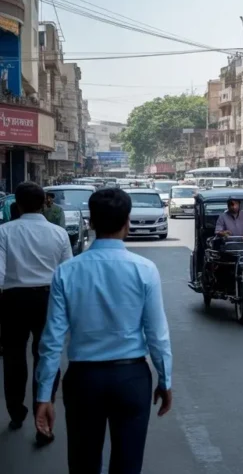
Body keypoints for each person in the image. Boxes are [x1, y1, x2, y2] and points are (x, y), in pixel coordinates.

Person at [35, 188, 173, 473]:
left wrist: (44, 395)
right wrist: (165, 379)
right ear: (127, 222)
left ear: (91, 222)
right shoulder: (145, 270)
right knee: (128, 464)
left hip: (84, 380)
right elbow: (157, 335)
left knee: (83, 463)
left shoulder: (67, 271)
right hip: (131, 379)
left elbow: (51, 341)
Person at [0, 182, 73, 439]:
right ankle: (43, 414)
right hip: (48, 299)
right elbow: (68, 274)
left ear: (16, 205)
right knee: (47, 357)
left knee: (13, 358)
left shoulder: (5, 232)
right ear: (44, 203)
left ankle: (16, 412)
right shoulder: (58, 233)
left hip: (12, 301)